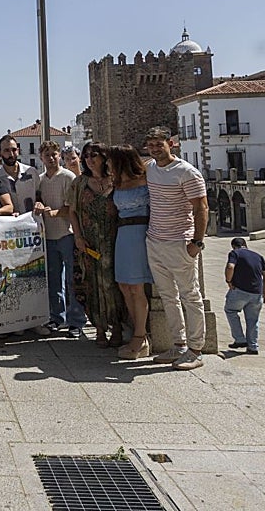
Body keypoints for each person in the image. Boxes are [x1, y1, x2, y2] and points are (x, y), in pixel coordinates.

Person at [143, 126, 210, 371]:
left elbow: (201, 208)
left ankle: (196, 349)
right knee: (168, 296)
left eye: (159, 144)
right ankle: (179, 344)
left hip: (180, 242)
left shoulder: (186, 172)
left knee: (190, 296)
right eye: (150, 145)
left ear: (171, 143)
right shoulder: (149, 168)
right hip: (155, 241)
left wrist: (197, 242)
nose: (154, 149)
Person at [67, 142, 127, 348]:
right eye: (86, 156)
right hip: (89, 243)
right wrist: (78, 237)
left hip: (115, 239)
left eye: (95, 155)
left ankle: (117, 327)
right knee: (92, 285)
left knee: (114, 285)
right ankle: (100, 329)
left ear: (104, 157)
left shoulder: (116, 180)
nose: (90, 159)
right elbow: (72, 212)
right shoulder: (80, 183)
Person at [0, 135, 48, 337]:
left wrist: (40, 204)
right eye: (6, 150)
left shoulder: (31, 172)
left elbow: (40, 195)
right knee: (11, 278)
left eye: (14, 150)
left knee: (34, 278)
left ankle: (36, 320)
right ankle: (11, 323)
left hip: (32, 234)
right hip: (8, 237)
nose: (11, 153)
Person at [106, 145, 153, 360]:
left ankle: (140, 336)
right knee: (124, 286)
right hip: (123, 234)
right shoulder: (116, 184)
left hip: (140, 233)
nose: (107, 164)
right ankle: (138, 331)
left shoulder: (146, 179)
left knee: (137, 287)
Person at [35, 141, 84, 337]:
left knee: (73, 280)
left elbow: (73, 207)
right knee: (54, 280)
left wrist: (56, 212)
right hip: (48, 236)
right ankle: (57, 317)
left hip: (67, 234)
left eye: (54, 154)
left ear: (59, 156)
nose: (51, 157)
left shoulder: (68, 177)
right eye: (47, 154)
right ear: (41, 158)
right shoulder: (39, 180)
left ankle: (76, 322)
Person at [224, 237, 265, 355]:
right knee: (253, 320)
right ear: (245, 244)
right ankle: (253, 346)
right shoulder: (258, 256)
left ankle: (239, 339)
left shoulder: (235, 253)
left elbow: (230, 267)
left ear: (234, 246)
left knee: (230, 310)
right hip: (256, 293)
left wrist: (229, 281)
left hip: (240, 290)